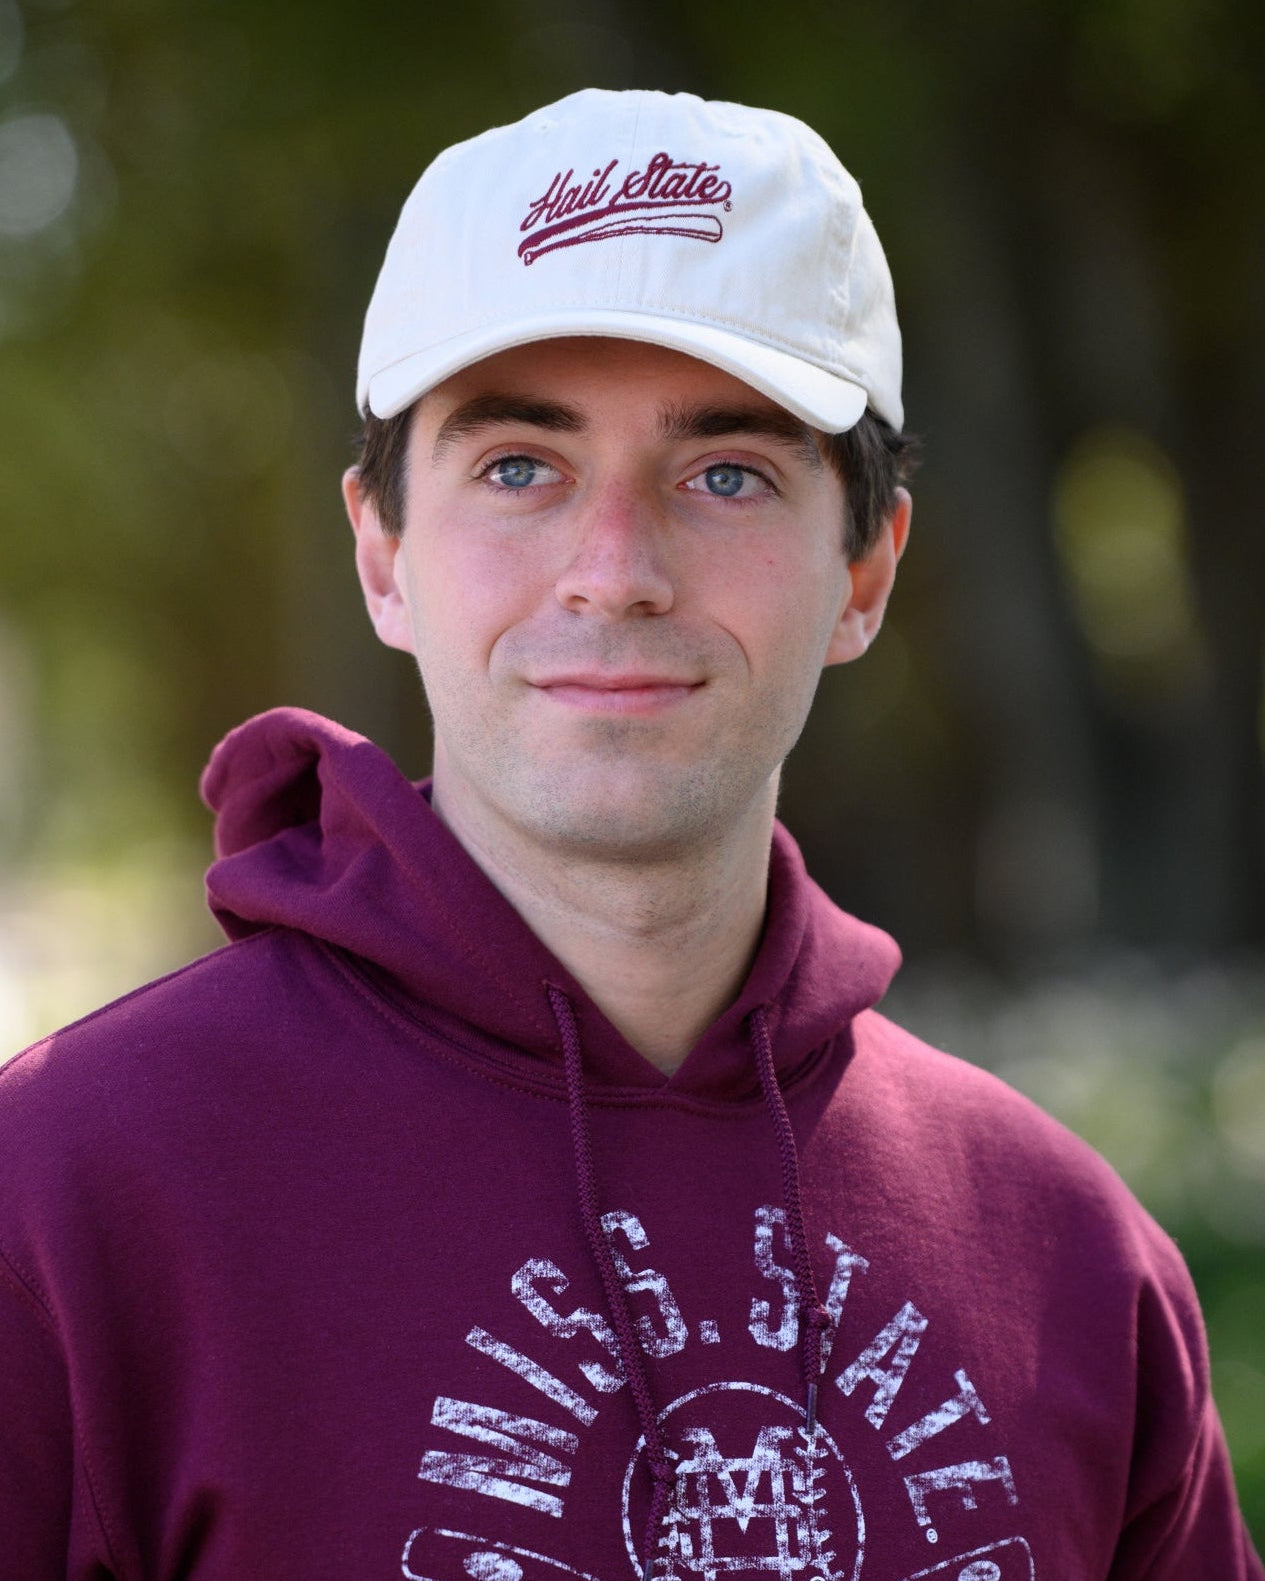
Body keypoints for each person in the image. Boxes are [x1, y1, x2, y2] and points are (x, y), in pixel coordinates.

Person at [0, 88, 1259, 1581]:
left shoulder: (1070, 1260)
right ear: (383, 555)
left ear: (864, 572)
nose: (616, 570)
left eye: (726, 475)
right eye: (518, 467)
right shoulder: (71, 1196)